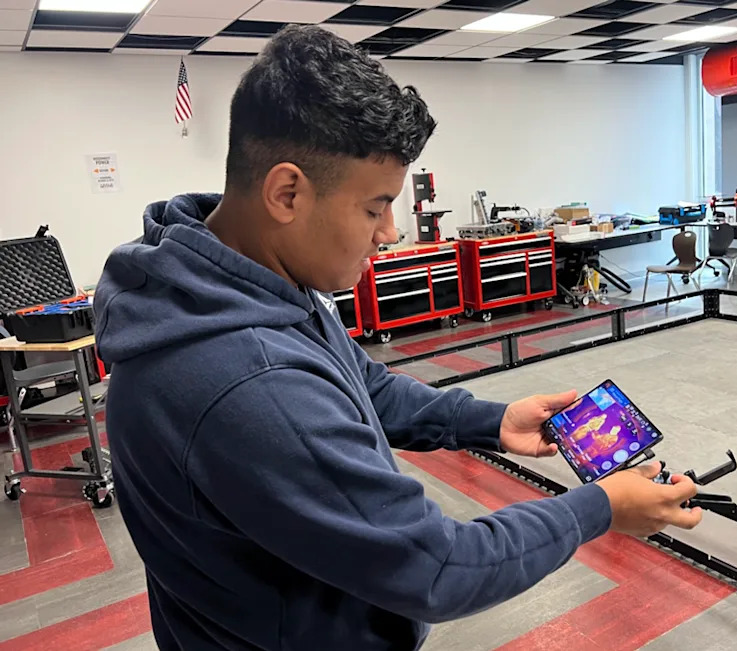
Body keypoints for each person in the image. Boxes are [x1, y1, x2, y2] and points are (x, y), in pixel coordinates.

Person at [93, 25, 702, 650]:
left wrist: (489, 422)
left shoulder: (244, 280)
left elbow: (365, 385)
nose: (391, 231)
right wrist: (598, 509)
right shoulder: (247, 380)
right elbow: (437, 567)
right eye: (374, 207)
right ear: (286, 192)